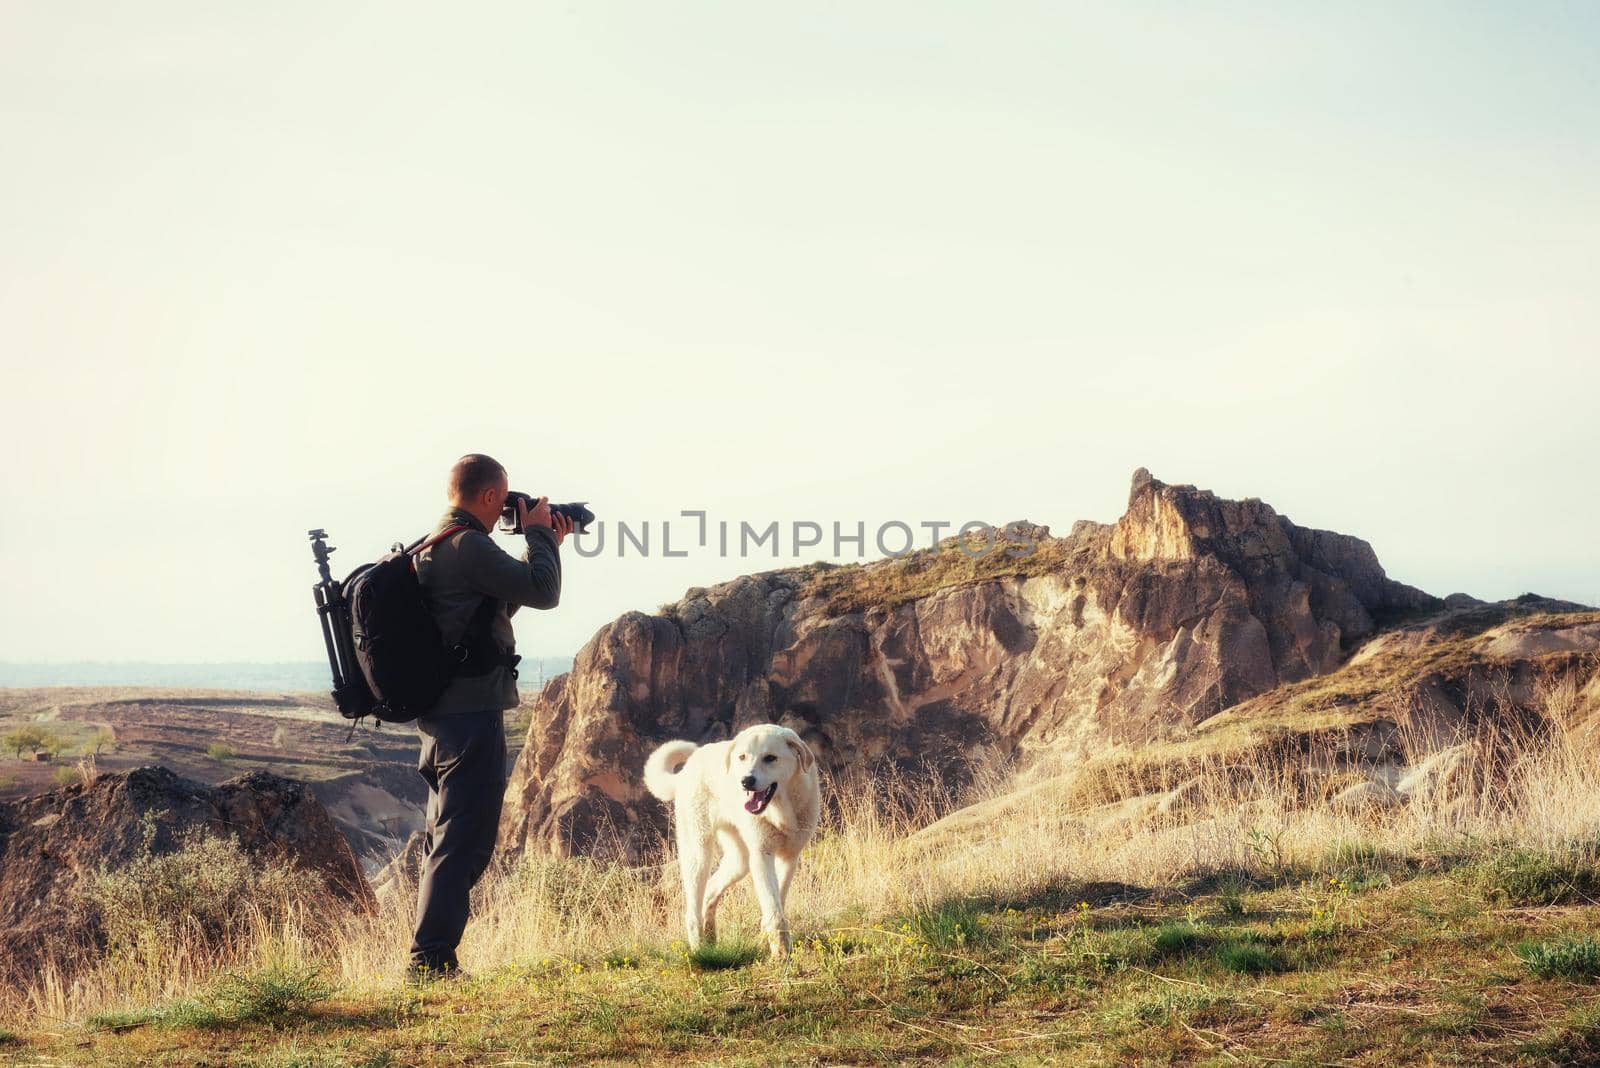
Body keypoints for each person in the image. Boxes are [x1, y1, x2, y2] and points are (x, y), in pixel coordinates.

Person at [407, 453, 573, 979]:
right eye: (504, 500)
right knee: (464, 842)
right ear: (487, 497)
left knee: (447, 837)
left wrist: (545, 541)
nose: (509, 509)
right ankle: (429, 962)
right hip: (470, 716)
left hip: (444, 716)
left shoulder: (435, 545)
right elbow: (544, 592)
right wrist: (541, 537)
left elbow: (484, 615)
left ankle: (431, 957)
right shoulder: (467, 546)